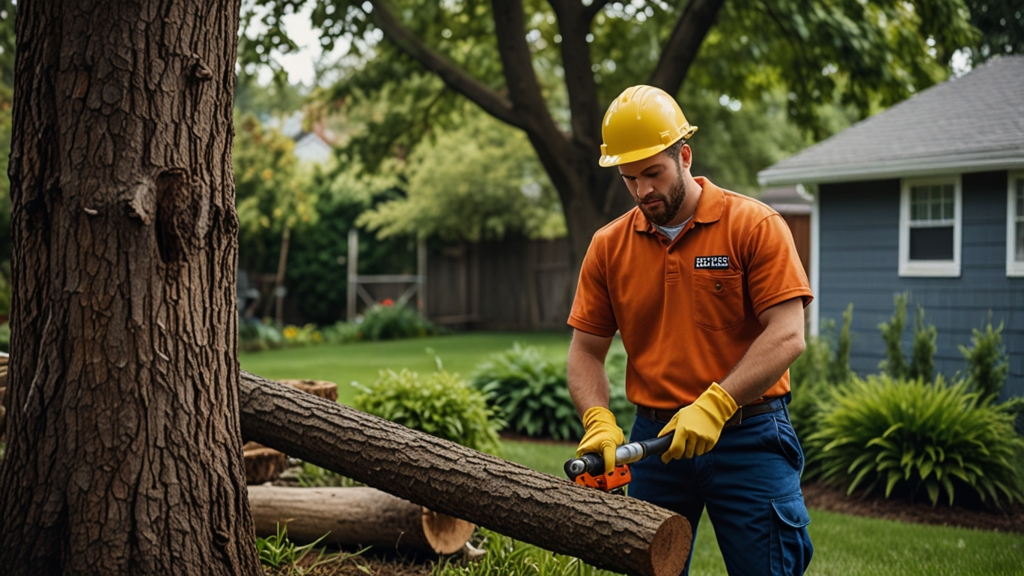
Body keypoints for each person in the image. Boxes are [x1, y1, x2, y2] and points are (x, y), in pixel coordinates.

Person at [567, 85, 814, 576]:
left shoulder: (754, 226)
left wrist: (718, 404)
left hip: (749, 433)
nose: (642, 191)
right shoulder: (608, 246)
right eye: (629, 178)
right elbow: (586, 352)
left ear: (684, 155)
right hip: (654, 440)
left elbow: (788, 334)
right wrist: (597, 419)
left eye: (652, 173)